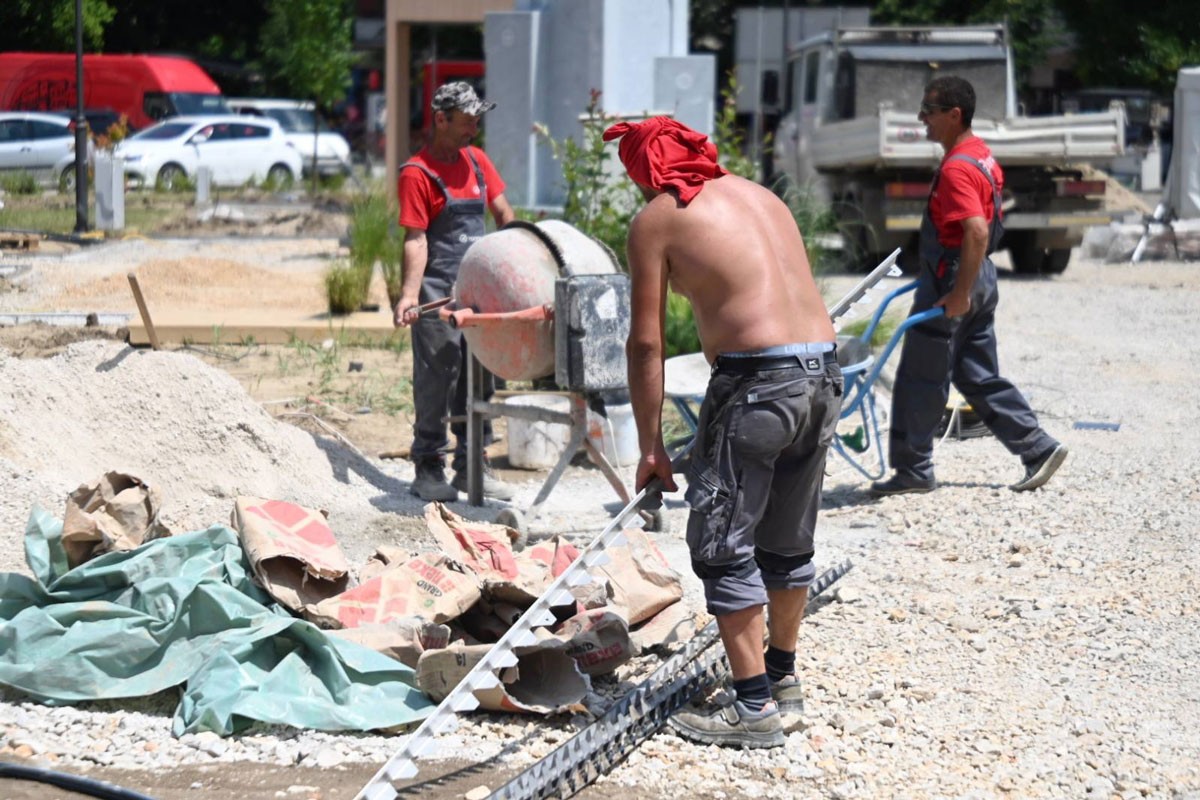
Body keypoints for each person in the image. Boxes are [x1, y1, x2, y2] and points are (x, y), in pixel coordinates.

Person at [603, 117, 842, 749]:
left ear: (646, 169)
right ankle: (783, 680)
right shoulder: (762, 197)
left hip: (757, 381)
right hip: (821, 373)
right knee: (788, 539)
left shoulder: (659, 217)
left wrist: (651, 446)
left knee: (721, 540)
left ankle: (754, 709)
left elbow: (646, 343)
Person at [870, 76, 1068, 497]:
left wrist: (957, 293)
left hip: (954, 279)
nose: (922, 118)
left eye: (929, 110)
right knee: (975, 373)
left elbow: (976, 231)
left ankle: (913, 470)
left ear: (954, 115)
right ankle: (1037, 447)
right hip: (980, 278)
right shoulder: (981, 157)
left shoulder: (958, 167)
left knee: (921, 377)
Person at [394, 82, 516, 502]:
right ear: (441, 119)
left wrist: (518, 266)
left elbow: (504, 216)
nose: (474, 130)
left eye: (477, 121)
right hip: (437, 294)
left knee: (479, 375)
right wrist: (410, 296)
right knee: (436, 378)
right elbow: (416, 238)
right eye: (467, 121)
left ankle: (472, 466)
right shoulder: (417, 173)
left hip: (479, 293)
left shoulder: (478, 162)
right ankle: (428, 467)